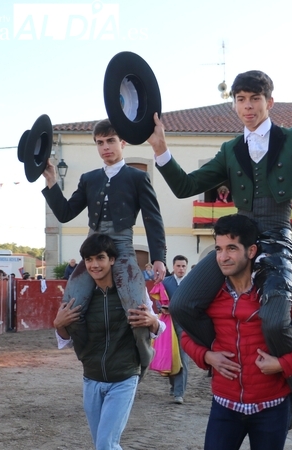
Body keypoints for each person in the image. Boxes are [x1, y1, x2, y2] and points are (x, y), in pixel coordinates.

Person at [148, 70, 292, 427]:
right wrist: (161, 150)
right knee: (184, 304)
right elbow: (186, 186)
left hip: (277, 236)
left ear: (270, 102)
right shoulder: (230, 149)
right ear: (234, 104)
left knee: (275, 322)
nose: (247, 107)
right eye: (240, 100)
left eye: (254, 99)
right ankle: (224, 355)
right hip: (238, 237)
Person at [180, 214, 292, 449]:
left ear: (251, 251)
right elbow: (186, 334)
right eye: (219, 249)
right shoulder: (208, 293)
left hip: (271, 406)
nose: (223, 257)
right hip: (225, 405)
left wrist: (283, 364)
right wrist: (207, 357)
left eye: (231, 248)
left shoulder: (278, 291)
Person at [42, 118, 167, 373]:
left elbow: (153, 218)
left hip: (122, 245)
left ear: (122, 142)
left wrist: (158, 257)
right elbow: (65, 213)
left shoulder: (137, 177)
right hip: (92, 246)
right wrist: (52, 182)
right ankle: (87, 356)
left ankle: (143, 359)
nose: (105, 147)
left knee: (137, 308)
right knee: (71, 304)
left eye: (110, 141)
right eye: (100, 143)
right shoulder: (89, 179)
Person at [53, 233, 165, 450]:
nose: (94, 265)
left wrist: (152, 321)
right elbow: (64, 340)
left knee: (106, 444)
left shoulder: (132, 290)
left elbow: (158, 329)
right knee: (102, 444)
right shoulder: (81, 296)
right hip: (91, 378)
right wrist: (59, 324)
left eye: (100, 258)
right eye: (89, 260)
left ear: (112, 259)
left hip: (124, 377)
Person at [162, 254, 190, 404]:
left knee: (183, 358)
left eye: (183, 266)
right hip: (169, 324)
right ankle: (173, 386)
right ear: (173, 267)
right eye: (178, 266)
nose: (181, 269)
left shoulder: (191, 283)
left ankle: (179, 392)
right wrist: (162, 307)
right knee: (170, 357)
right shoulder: (166, 282)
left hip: (185, 324)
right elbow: (159, 301)